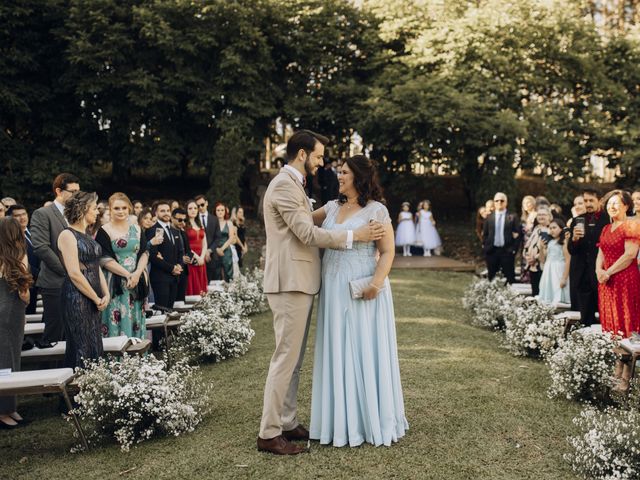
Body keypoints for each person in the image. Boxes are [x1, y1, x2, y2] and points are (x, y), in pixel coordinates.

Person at [257, 130, 384, 455]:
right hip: (289, 280)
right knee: (285, 357)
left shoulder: (294, 185)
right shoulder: (284, 184)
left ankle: (287, 421)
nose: (321, 162)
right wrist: (353, 236)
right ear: (302, 154)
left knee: (294, 358)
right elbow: (305, 233)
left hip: (299, 280)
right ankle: (269, 433)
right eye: (317, 156)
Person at [309, 154, 408, 447]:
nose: (338, 177)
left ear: (359, 178)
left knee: (361, 348)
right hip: (332, 287)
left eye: (344, 173)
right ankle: (338, 423)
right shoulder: (330, 208)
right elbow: (300, 223)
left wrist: (376, 284)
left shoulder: (377, 211)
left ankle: (366, 422)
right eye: (339, 172)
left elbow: (388, 252)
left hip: (361, 287)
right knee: (336, 349)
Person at [58, 192, 109, 369]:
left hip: (95, 296)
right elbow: (74, 273)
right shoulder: (67, 235)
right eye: (94, 208)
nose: (97, 212)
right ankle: (76, 393)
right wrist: (95, 298)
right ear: (82, 210)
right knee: (81, 345)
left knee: (95, 343)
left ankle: (95, 389)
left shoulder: (88, 235)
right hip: (77, 297)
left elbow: (96, 267)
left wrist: (106, 293)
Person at [596, 190, 640, 391]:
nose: (611, 207)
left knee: (626, 323)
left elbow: (630, 255)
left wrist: (609, 272)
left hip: (625, 280)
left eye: (616, 203)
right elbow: (600, 253)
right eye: (609, 203)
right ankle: (616, 371)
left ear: (626, 206)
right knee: (613, 326)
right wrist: (599, 270)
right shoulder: (606, 227)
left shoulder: (632, 225)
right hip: (607, 283)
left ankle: (626, 378)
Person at [31, 173, 80, 345]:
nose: (77, 196)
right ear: (59, 191)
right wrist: (69, 270)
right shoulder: (42, 214)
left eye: (78, 192)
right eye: (72, 192)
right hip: (55, 283)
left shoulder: (76, 215)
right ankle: (51, 370)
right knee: (55, 335)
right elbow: (41, 247)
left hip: (78, 282)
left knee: (74, 334)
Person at [95, 193, 149, 339]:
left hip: (136, 282)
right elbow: (104, 259)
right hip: (116, 283)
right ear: (110, 210)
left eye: (124, 208)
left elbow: (144, 253)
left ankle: (137, 358)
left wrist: (137, 273)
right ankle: (117, 359)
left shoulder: (137, 229)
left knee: (136, 318)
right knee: (116, 317)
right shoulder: (104, 231)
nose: (121, 211)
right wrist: (127, 274)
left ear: (129, 209)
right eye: (117, 208)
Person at [0, 217, 32, 429]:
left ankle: (10, 408)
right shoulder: (19, 255)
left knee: (5, 359)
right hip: (12, 312)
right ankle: (4, 411)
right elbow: (24, 294)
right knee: (9, 360)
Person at [568, 189, 609, 326]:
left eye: (591, 200)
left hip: (601, 273)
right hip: (582, 274)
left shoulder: (607, 220)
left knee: (605, 315)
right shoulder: (577, 220)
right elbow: (572, 250)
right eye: (585, 201)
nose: (588, 204)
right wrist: (574, 239)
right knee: (585, 317)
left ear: (599, 201)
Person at [146, 201, 183, 310]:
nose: (166, 213)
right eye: (162, 211)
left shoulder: (175, 231)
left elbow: (180, 252)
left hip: (175, 277)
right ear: (156, 213)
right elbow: (153, 256)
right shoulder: (152, 231)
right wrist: (172, 268)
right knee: (161, 313)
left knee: (170, 312)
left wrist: (180, 265)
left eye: (168, 210)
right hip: (160, 278)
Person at [482, 192, 521, 283]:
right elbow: (485, 234)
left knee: (509, 278)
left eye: (502, 200)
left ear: (506, 202)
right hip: (492, 251)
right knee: (492, 278)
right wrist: (485, 246)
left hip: (507, 251)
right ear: (494, 202)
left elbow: (518, 234)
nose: (499, 202)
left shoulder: (512, 217)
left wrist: (513, 249)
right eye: (497, 200)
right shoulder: (489, 217)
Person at [8, 204, 40, 314]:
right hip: (22, 284)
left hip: (36, 285)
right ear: (11, 219)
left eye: (24, 214)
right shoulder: (10, 239)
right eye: (17, 216)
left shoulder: (34, 233)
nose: (22, 218)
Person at [538, 218, 570, 305]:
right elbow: (542, 259)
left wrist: (564, 278)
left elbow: (568, 260)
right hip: (548, 270)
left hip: (559, 270)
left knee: (558, 291)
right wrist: (541, 247)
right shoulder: (550, 242)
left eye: (554, 228)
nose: (552, 230)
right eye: (550, 228)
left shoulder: (564, 242)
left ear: (561, 228)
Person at [523, 206, 552, 296]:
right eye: (539, 215)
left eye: (544, 214)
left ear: (549, 216)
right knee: (534, 292)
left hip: (542, 266)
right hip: (532, 266)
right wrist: (527, 256)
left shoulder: (550, 230)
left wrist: (534, 258)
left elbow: (547, 249)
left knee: (540, 293)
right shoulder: (536, 228)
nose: (541, 217)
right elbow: (528, 245)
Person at [195, 194, 220, 284]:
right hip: (198, 256)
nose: (200, 207)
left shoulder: (214, 219)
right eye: (198, 206)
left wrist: (209, 250)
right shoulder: (193, 220)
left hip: (211, 256)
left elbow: (217, 238)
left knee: (212, 283)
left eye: (202, 204)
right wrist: (202, 252)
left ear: (207, 203)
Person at [185, 201, 207, 295]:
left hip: (201, 258)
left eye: (195, 208)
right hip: (192, 256)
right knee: (193, 282)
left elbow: (205, 243)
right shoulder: (185, 225)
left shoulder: (200, 224)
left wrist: (202, 257)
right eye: (190, 208)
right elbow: (185, 244)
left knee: (201, 282)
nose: (193, 210)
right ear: (186, 210)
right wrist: (197, 257)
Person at [213, 202, 236, 281]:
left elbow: (231, 238)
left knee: (228, 272)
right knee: (216, 273)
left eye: (222, 210)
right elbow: (210, 238)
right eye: (218, 210)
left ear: (225, 211)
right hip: (215, 250)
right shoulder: (212, 224)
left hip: (226, 250)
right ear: (215, 211)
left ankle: (229, 291)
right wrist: (216, 249)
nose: (220, 212)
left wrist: (222, 249)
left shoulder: (229, 223)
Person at [171, 208, 189, 303]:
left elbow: (188, 250)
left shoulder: (183, 232)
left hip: (184, 271)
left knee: (181, 301)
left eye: (184, 220)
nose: (182, 222)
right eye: (180, 220)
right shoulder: (169, 232)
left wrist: (188, 257)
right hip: (173, 271)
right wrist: (180, 259)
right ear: (172, 218)